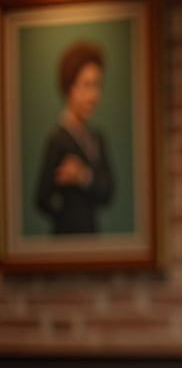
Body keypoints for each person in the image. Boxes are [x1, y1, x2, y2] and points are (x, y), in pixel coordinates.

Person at [35, 40, 114, 234]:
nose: (94, 94)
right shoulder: (58, 139)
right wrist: (65, 220)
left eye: (97, 85)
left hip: (92, 237)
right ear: (70, 87)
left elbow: (108, 191)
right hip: (67, 243)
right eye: (87, 85)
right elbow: (41, 198)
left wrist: (83, 176)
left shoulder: (96, 138)